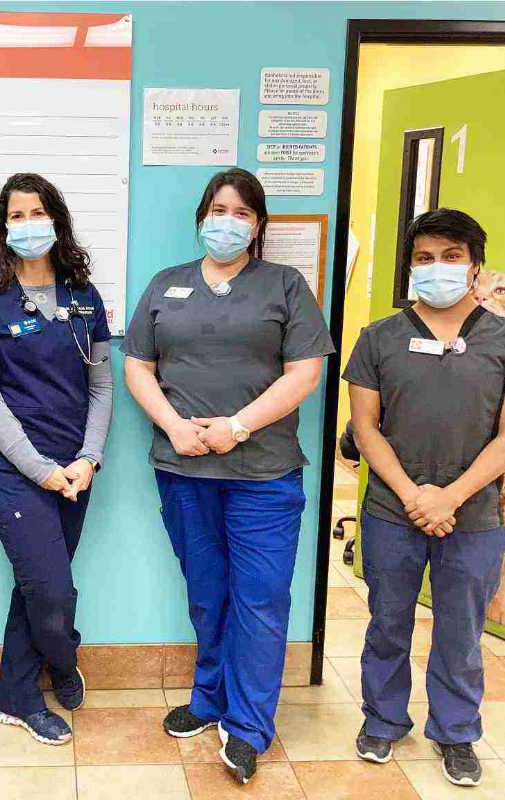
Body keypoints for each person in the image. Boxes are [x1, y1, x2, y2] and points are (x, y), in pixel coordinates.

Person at [123, 168, 334, 784]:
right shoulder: (168, 285)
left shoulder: (285, 286)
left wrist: (236, 427)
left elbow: (303, 374)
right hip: (184, 468)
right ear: (201, 217)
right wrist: (175, 426)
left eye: (242, 212)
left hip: (262, 475)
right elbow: (138, 365)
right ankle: (208, 697)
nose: (228, 221)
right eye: (218, 209)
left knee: (260, 601)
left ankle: (247, 727)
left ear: (258, 224)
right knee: (207, 592)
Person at [343, 208, 505, 788]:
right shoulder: (379, 339)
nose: (438, 269)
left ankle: (456, 732)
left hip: (473, 514)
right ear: (411, 267)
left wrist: (449, 497)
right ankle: (382, 719)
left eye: (451, 257)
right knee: (387, 622)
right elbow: (366, 428)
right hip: (391, 512)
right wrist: (413, 497)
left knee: (460, 631)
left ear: (475, 266)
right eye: (425, 258)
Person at [0, 173, 113, 745]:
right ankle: (62, 662)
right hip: (9, 467)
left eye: (37, 212)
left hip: (75, 468)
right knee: (51, 588)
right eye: (15, 216)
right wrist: (41, 469)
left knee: (38, 583)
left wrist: (88, 459)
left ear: (57, 220)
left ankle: (14, 695)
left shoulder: (83, 295)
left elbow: (101, 387)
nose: (27, 225)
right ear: (1, 227)